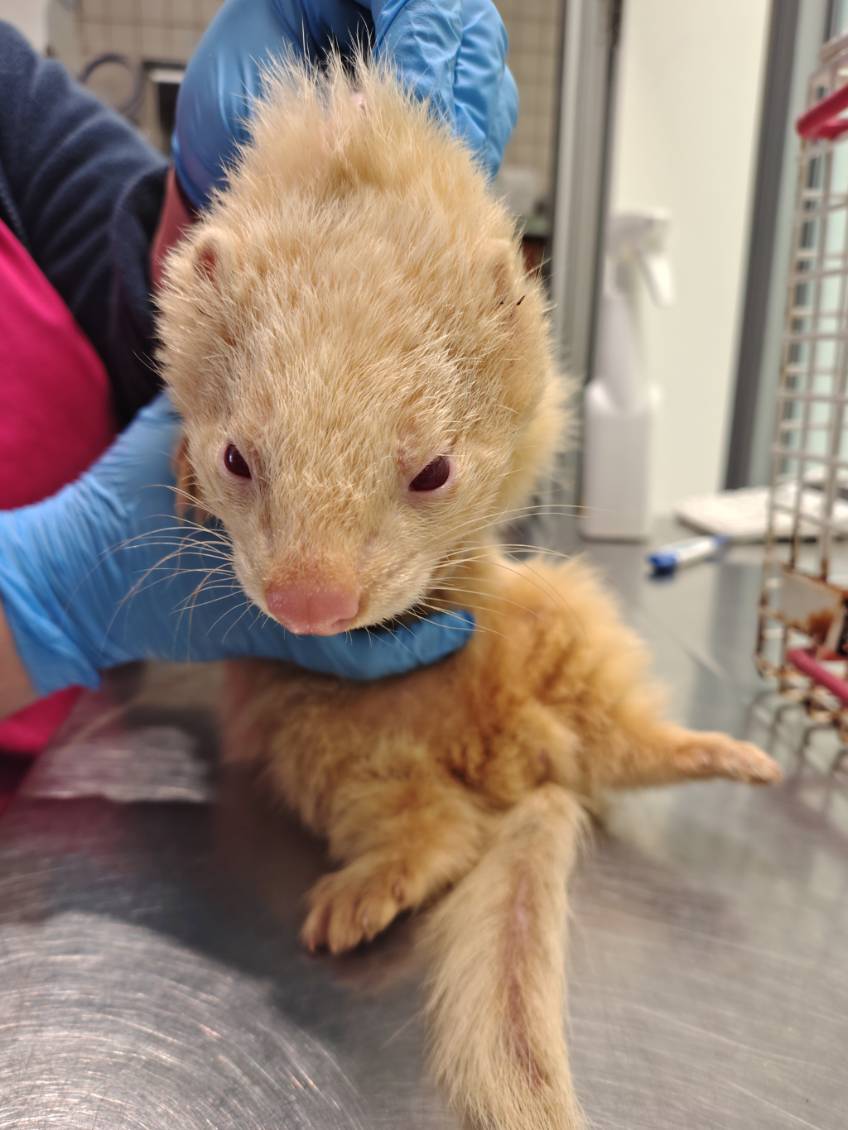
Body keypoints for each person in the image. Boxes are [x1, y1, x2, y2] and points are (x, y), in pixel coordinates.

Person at [0, 2, 517, 738]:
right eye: (240, 463)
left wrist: (187, 206)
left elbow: (125, 276)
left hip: (117, 728)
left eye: (429, 474)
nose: (312, 602)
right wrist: (49, 594)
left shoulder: (10, 91)